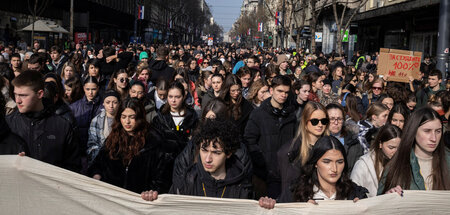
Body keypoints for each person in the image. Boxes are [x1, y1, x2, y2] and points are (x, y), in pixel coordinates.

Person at [141, 119, 253, 201]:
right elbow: (170, 209)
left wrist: (265, 207)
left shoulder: (242, 186)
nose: (208, 159)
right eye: (204, 150)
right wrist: (153, 201)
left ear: (228, 153)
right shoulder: (186, 181)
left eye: (216, 153)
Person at [89, 98, 173, 194]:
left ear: (140, 117)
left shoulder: (153, 141)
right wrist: (96, 175)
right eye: (123, 117)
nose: (127, 121)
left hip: (140, 200)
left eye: (132, 117)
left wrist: (153, 191)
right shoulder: (114, 138)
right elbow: (97, 163)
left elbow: (163, 176)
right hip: (113, 197)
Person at [6, 70, 80, 172]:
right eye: (16, 94)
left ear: (40, 94)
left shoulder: (62, 126)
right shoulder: (8, 125)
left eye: (23, 95)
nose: (17, 100)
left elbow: (74, 166)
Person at [267, 136, 368, 206]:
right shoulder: (296, 193)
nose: (334, 168)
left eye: (339, 162)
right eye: (327, 162)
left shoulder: (354, 193)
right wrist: (268, 205)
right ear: (315, 163)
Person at [244, 75, 296, 198]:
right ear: (271, 91)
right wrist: (261, 163)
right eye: (280, 91)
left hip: (287, 173)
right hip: (265, 174)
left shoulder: (293, 114)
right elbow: (249, 141)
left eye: (286, 92)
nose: (283, 95)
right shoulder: (258, 114)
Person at [378, 107, 450, 194]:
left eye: (438, 131)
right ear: (414, 131)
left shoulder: (447, 161)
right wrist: (388, 196)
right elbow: (380, 203)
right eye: (427, 131)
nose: (433, 138)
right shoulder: (395, 166)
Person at [277, 102, 329, 201]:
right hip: (301, 203)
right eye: (314, 121)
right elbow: (288, 187)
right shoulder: (292, 151)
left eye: (324, 121)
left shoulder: (330, 147)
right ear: (305, 122)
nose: (320, 125)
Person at [351, 124, 402, 197]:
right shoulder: (363, 165)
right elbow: (353, 193)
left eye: (399, 148)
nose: (395, 152)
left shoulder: (403, 163)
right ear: (380, 144)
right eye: (391, 148)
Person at [152, 81, 198, 154]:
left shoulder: (192, 117)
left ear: (183, 97)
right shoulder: (160, 117)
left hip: (186, 158)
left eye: (177, 97)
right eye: (170, 96)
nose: (173, 100)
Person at [70, 76, 103, 161]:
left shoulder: (104, 107)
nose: (90, 92)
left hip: (99, 152)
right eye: (88, 89)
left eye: (93, 89)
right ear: (84, 88)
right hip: (79, 151)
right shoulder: (74, 107)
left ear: (98, 88)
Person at [86, 90, 121, 166]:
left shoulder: (123, 120)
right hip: (101, 162)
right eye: (108, 102)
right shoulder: (96, 121)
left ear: (119, 103)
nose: (111, 105)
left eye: (114, 102)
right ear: (103, 104)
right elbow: (92, 145)